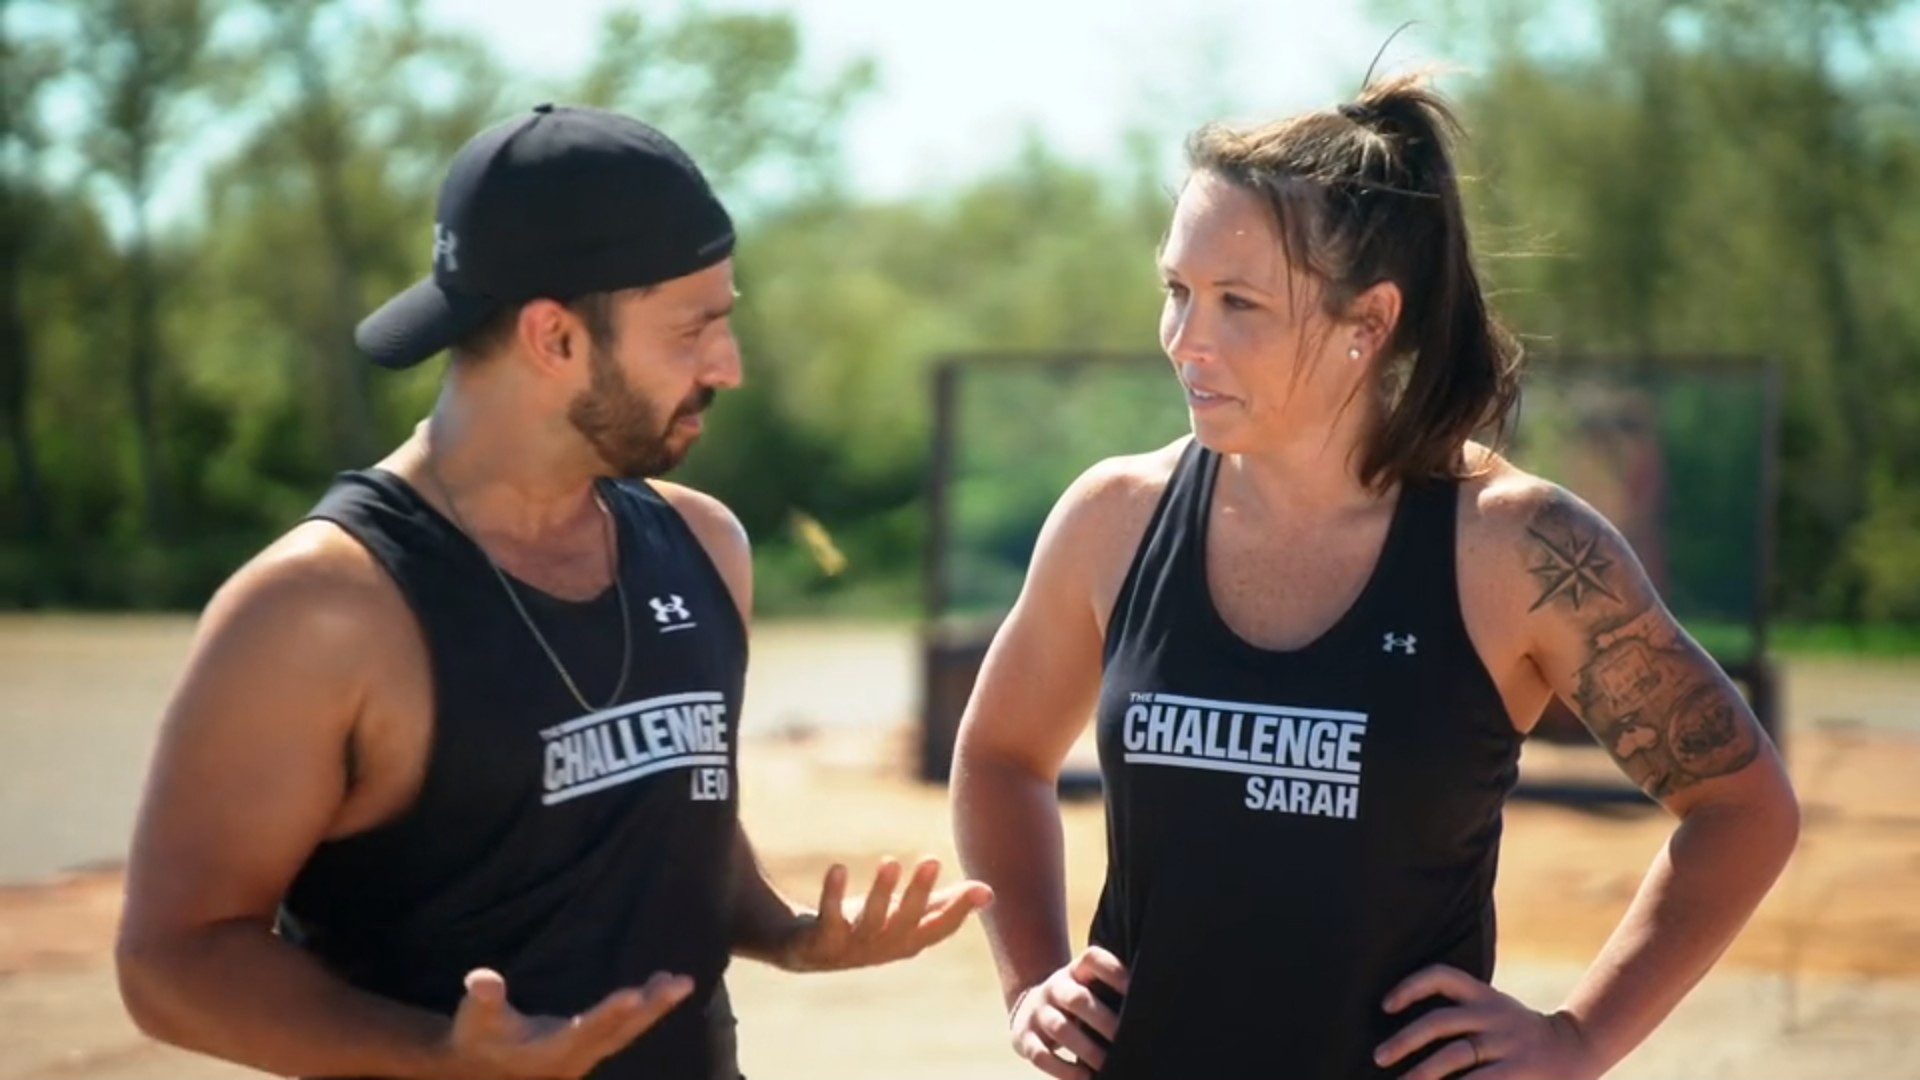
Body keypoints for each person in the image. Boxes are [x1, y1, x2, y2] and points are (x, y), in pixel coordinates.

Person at [114, 103, 991, 1080]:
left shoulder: (703, 544)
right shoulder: (322, 608)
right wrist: (439, 1055)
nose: (728, 366)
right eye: (693, 330)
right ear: (554, 337)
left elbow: (662, 815)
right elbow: (171, 961)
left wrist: (783, 932)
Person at [949, 72, 1798, 1080]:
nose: (1186, 339)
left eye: (1238, 303)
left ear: (1369, 321)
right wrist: (1031, 982)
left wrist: (1579, 1038)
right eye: (1177, 291)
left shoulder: (1517, 549)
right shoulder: (1114, 519)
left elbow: (1743, 808)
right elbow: (1000, 757)